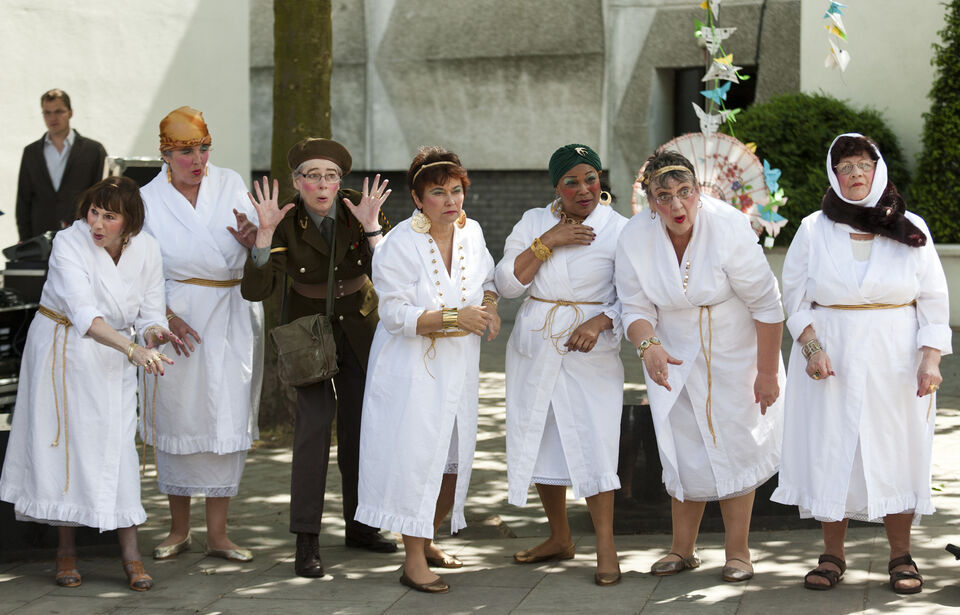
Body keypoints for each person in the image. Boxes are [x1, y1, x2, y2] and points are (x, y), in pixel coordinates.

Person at [771, 133, 950, 594]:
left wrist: (931, 359)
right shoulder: (813, 229)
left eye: (863, 165)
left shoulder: (911, 227)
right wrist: (812, 348)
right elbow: (795, 298)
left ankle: (901, 556)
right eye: (845, 167)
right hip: (831, 358)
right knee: (832, 448)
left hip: (897, 359)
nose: (855, 174)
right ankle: (832, 555)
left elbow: (934, 301)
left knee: (897, 448)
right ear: (834, 175)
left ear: (878, 170)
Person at [615, 149, 785, 582]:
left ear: (698, 190)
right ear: (650, 200)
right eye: (664, 196)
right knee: (681, 444)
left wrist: (767, 372)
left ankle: (738, 552)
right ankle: (681, 548)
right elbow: (634, 306)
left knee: (735, 442)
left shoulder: (728, 226)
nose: (677, 204)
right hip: (670, 350)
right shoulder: (634, 237)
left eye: (685, 191)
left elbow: (767, 304)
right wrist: (647, 345)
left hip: (734, 348)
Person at [0, 176, 177, 591]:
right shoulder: (68, 242)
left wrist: (154, 333)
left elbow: (151, 312)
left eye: (109, 216)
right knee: (67, 446)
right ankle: (66, 552)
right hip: (62, 349)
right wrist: (133, 349)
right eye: (94, 212)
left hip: (114, 358)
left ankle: (131, 555)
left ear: (130, 223)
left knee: (120, 447)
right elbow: (83, 313)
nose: (97, 223)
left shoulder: (148, 249)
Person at [241, 137, 396, 578]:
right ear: (297, 182)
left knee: (361, 430)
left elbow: (393, 275)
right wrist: (264, 234)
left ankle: (362, 526)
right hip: (307, 331)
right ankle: (306, 537)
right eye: (313, 176)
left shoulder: (360, 207)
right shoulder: (283, 219)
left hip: (360, 325)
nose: (323, 185)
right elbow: (255, 290)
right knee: (312, 431)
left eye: (331, 176)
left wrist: (372, 228)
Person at [355, 147, 499, 594]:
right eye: (438, 192)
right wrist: (456, 317)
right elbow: (394, 314)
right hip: (410, 368)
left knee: (451, 461)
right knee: (416, 459)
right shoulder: (398, 244)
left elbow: (488, 281)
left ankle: (429, 536)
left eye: (456, 190)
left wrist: (490, 309)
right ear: (418, 199)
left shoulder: (472, 232)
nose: (450, 200)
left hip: (460, 365)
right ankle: (413, 560)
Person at [495, 143, 627, 586]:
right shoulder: (534, 222)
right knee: (540, 436)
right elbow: (507, 284)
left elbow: (636, 295)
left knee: (595, 442)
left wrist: (600, 320)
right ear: (556, 186)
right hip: (535, 345)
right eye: (571, 182)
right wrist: (548, 242)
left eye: (590, 178)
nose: (583, 189)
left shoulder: (620, 230)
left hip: (590, 351)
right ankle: (559, 536)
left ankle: (605, 545)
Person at [139, 107, 264, 563]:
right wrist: (165, 317)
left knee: (226, 415)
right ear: (165, 154)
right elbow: (140, 269)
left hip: (231, 311)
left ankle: (218, 534)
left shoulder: (229, 183)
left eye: (204, 149)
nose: (198, 160)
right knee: (179, 415)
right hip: (176, 316)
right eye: (186, 152)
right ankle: (178, 530)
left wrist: (254, 241)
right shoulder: (147, 199)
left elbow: (260, 250)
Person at [15, 89, 107, 240]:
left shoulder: (93, 150)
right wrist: (25, 240)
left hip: (82, 236)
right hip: (40, 239)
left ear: (70, 113)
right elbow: (23, 200)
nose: (53, 118)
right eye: (47, 113)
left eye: (58, 111)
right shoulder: (31, 152)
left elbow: (103, 197)